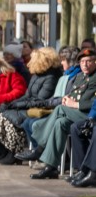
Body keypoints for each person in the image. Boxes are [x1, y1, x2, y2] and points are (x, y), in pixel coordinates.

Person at [19, 48, 96, 178]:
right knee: (60, 123)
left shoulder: (94, 77)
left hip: (88, 115)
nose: (85, 64)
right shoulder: (80, 77)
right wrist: (67, 99)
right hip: (74, 113)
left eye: (88, 61)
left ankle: (40, 148)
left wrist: (75, 104)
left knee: (60, 109)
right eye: (82, 61)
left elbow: (92, 102)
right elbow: (74, 94)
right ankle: (51, 167)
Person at [0, 47, 62, 165]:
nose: (29, 63)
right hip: (30, 106)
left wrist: (16, 105)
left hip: (39, 109)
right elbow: (27, 95)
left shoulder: (51, 77)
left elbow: (40, 101)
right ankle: (7, 150)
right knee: (3, 113)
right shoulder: (36, 75)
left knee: (9, 119)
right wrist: (11, 103)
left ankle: (14, 152)